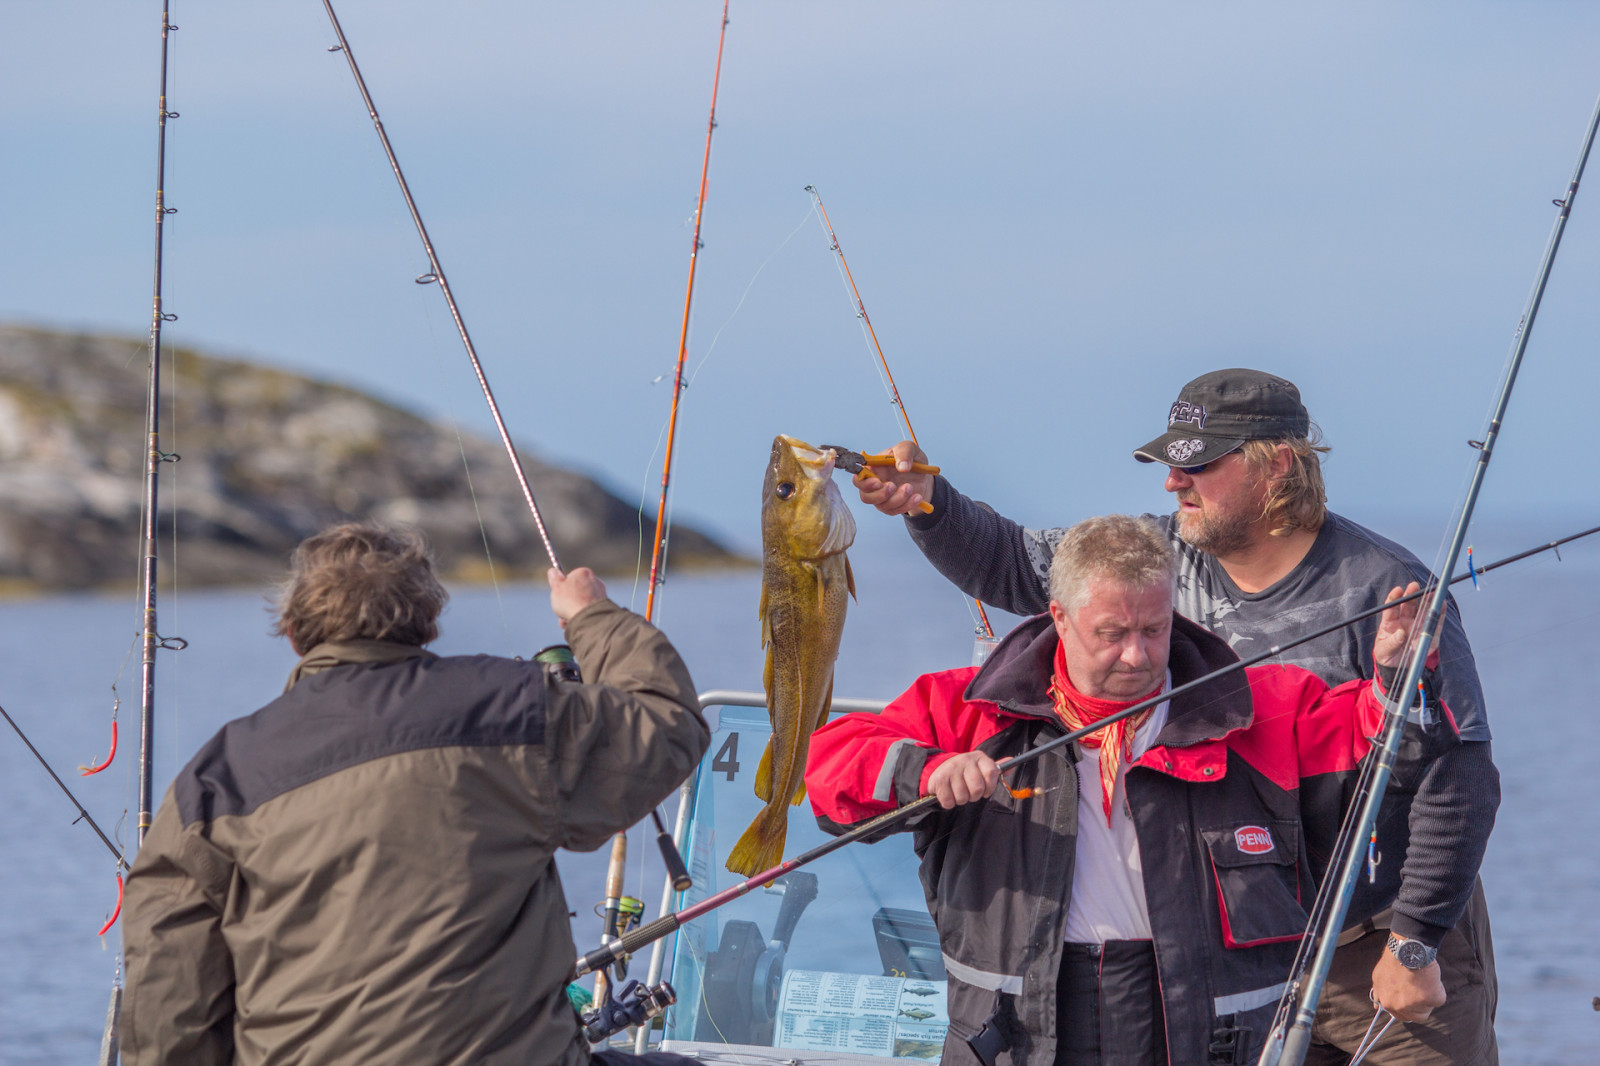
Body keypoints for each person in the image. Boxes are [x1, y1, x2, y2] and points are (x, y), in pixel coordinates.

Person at [853, 369, 1498, 1066]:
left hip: (1379, 946)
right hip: (1240, 957)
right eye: (1170, 464)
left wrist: (1415, 940)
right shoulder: (1155, 560)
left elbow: (1457, 779)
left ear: (1277, 465)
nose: (1172, 482)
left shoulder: (1387, 590)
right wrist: (929, 504)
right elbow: (1012, 561)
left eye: (1198, 465)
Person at [805, 515, 1452, 1066]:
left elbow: (1380, 748)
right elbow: (829, 766)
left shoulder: (1256, 708)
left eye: (1154, 630)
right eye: (1112, 634)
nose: (1138, 656)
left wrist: (1399, 681)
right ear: (1059, 618)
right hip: (1022, 1035)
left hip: (1206, 1034)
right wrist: (925, 773)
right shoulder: (968, 710)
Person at [118, 522, 710, 1066]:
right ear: (428, 622)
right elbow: (669, 726)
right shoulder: (516, 709)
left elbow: (169, 1006)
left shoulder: (216, 780)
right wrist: (592, 615)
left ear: (295, 635)